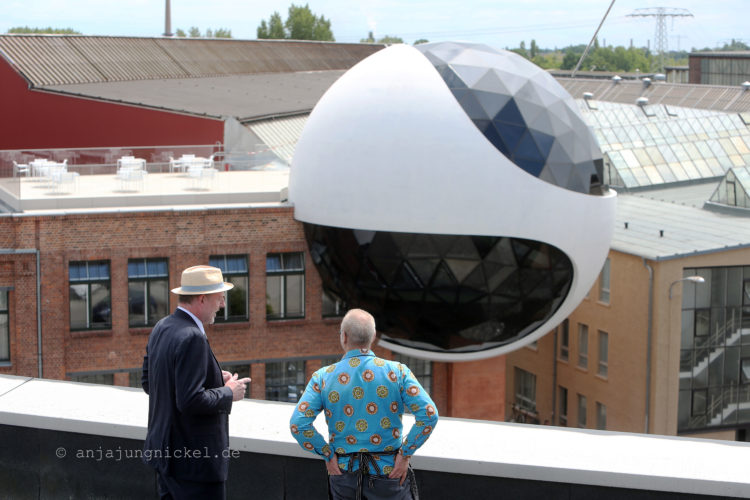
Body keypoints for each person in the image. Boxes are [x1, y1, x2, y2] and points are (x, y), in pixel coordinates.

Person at [290, 308, 438, 500]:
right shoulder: (397, 372)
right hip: (389, 472)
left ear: (343, 337)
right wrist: (405, 454)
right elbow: (429, 414)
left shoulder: (323, 377)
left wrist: (327, 454)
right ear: (373, 336)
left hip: (344, 474)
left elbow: (298, 424)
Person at [142, 265, 251, 500]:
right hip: (195, 466)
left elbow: (150, 383)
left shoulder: (162, 327)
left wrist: (210, 378)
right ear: (202, 299)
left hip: (167, 460)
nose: (222, 305)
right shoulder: (192, 336)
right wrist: (229, 392)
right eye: (219, 299)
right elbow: (190, 400)